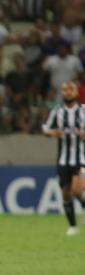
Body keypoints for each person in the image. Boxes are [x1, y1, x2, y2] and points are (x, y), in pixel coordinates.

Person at [41, 82, 85, 236]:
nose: (67, 92)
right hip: (63, 161)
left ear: (77, 93)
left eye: (71, 89)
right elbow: (45, 128)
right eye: (64, 90)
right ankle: (73, 226)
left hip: (81, 160)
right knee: (66, 193)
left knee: (78, 190)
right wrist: (52, 133)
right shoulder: (56, 112)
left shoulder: (83, 110)